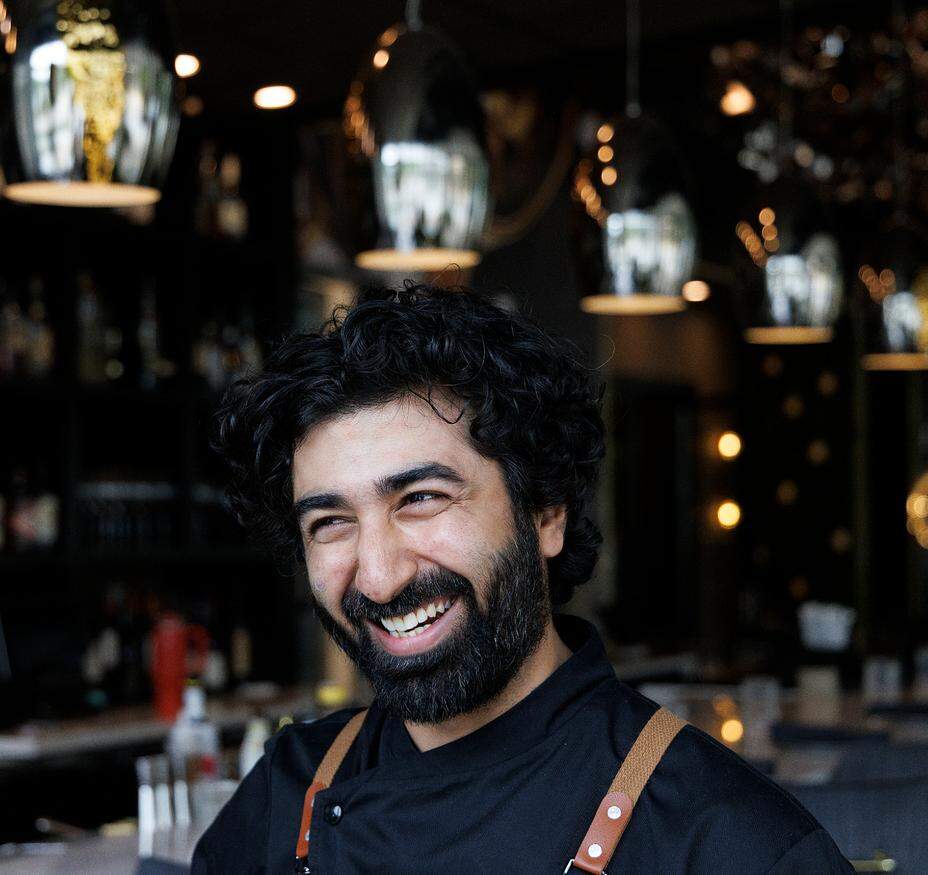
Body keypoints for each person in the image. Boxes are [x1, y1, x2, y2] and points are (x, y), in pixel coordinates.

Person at [193, 285, 851, 873]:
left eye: (421, 498)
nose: (382, 576)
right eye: (331, 522)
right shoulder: (282, 795)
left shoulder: (729, 843)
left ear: (546, 513)